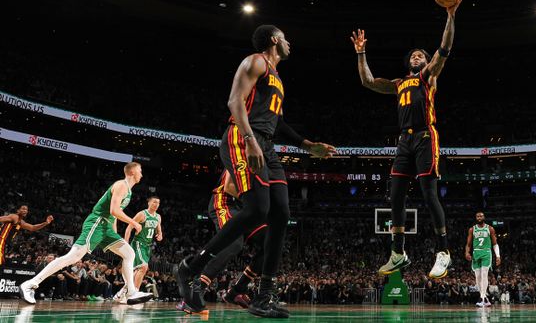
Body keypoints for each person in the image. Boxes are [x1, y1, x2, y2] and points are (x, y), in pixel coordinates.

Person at [176, 25, 336, 318]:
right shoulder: (256, 62)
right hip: (241, 136)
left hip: (268, 144)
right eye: (285, 37)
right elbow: (234, 101)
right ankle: (191, 267)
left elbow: (280, 124)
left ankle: (263, 296)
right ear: (274, 40)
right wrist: (250, 140)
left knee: (281, 215)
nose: (290, 42)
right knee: (257, 209)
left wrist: (307, 145)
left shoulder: (277, 77)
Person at [351, 0, 461, 280]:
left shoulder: (428, 77)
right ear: (407, 61)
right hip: (403, 141)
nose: (417, 57)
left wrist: (450, 16)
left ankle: (443, 252)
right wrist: (361, 53)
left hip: (426, 137)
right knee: (395, 196)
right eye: (414, 55)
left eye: (421, 56)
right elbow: (367, 81)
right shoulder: (399, 84)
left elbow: (444, 48)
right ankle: (398, 252)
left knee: (428, 193)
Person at [20, 162, 153, 305]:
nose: (142, 174)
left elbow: (113, 215)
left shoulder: (128, 190)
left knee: (129, 253)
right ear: (132, 172)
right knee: (73, 257)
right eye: (140, 171)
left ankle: (130, 293)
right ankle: (30, 284)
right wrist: (133, 223)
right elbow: (114, 210)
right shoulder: (121, 185)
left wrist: (114, 235)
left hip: (106, 227)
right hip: (97, 222)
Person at [177, 171, 269, 314]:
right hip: (225, 202)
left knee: (270, 243)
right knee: (234, 242)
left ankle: (237, 290)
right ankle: (194, 292)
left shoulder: (265, 166)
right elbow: (228, 186)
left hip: (246, 208)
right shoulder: (242, 153)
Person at [465, 211, 500, 307]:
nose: (479, 217)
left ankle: (482, 297)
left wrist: (498, 256)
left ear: (484, 217)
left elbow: (495, 244)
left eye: (481, 216)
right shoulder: (472, 229)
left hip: (486, 252)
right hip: (476, 252)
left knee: (484, 273)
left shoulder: (490, 228)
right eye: (477, 216)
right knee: (478, 276)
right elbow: (468, 244)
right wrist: (467, 252)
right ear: (476, 218)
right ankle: (485, 298)